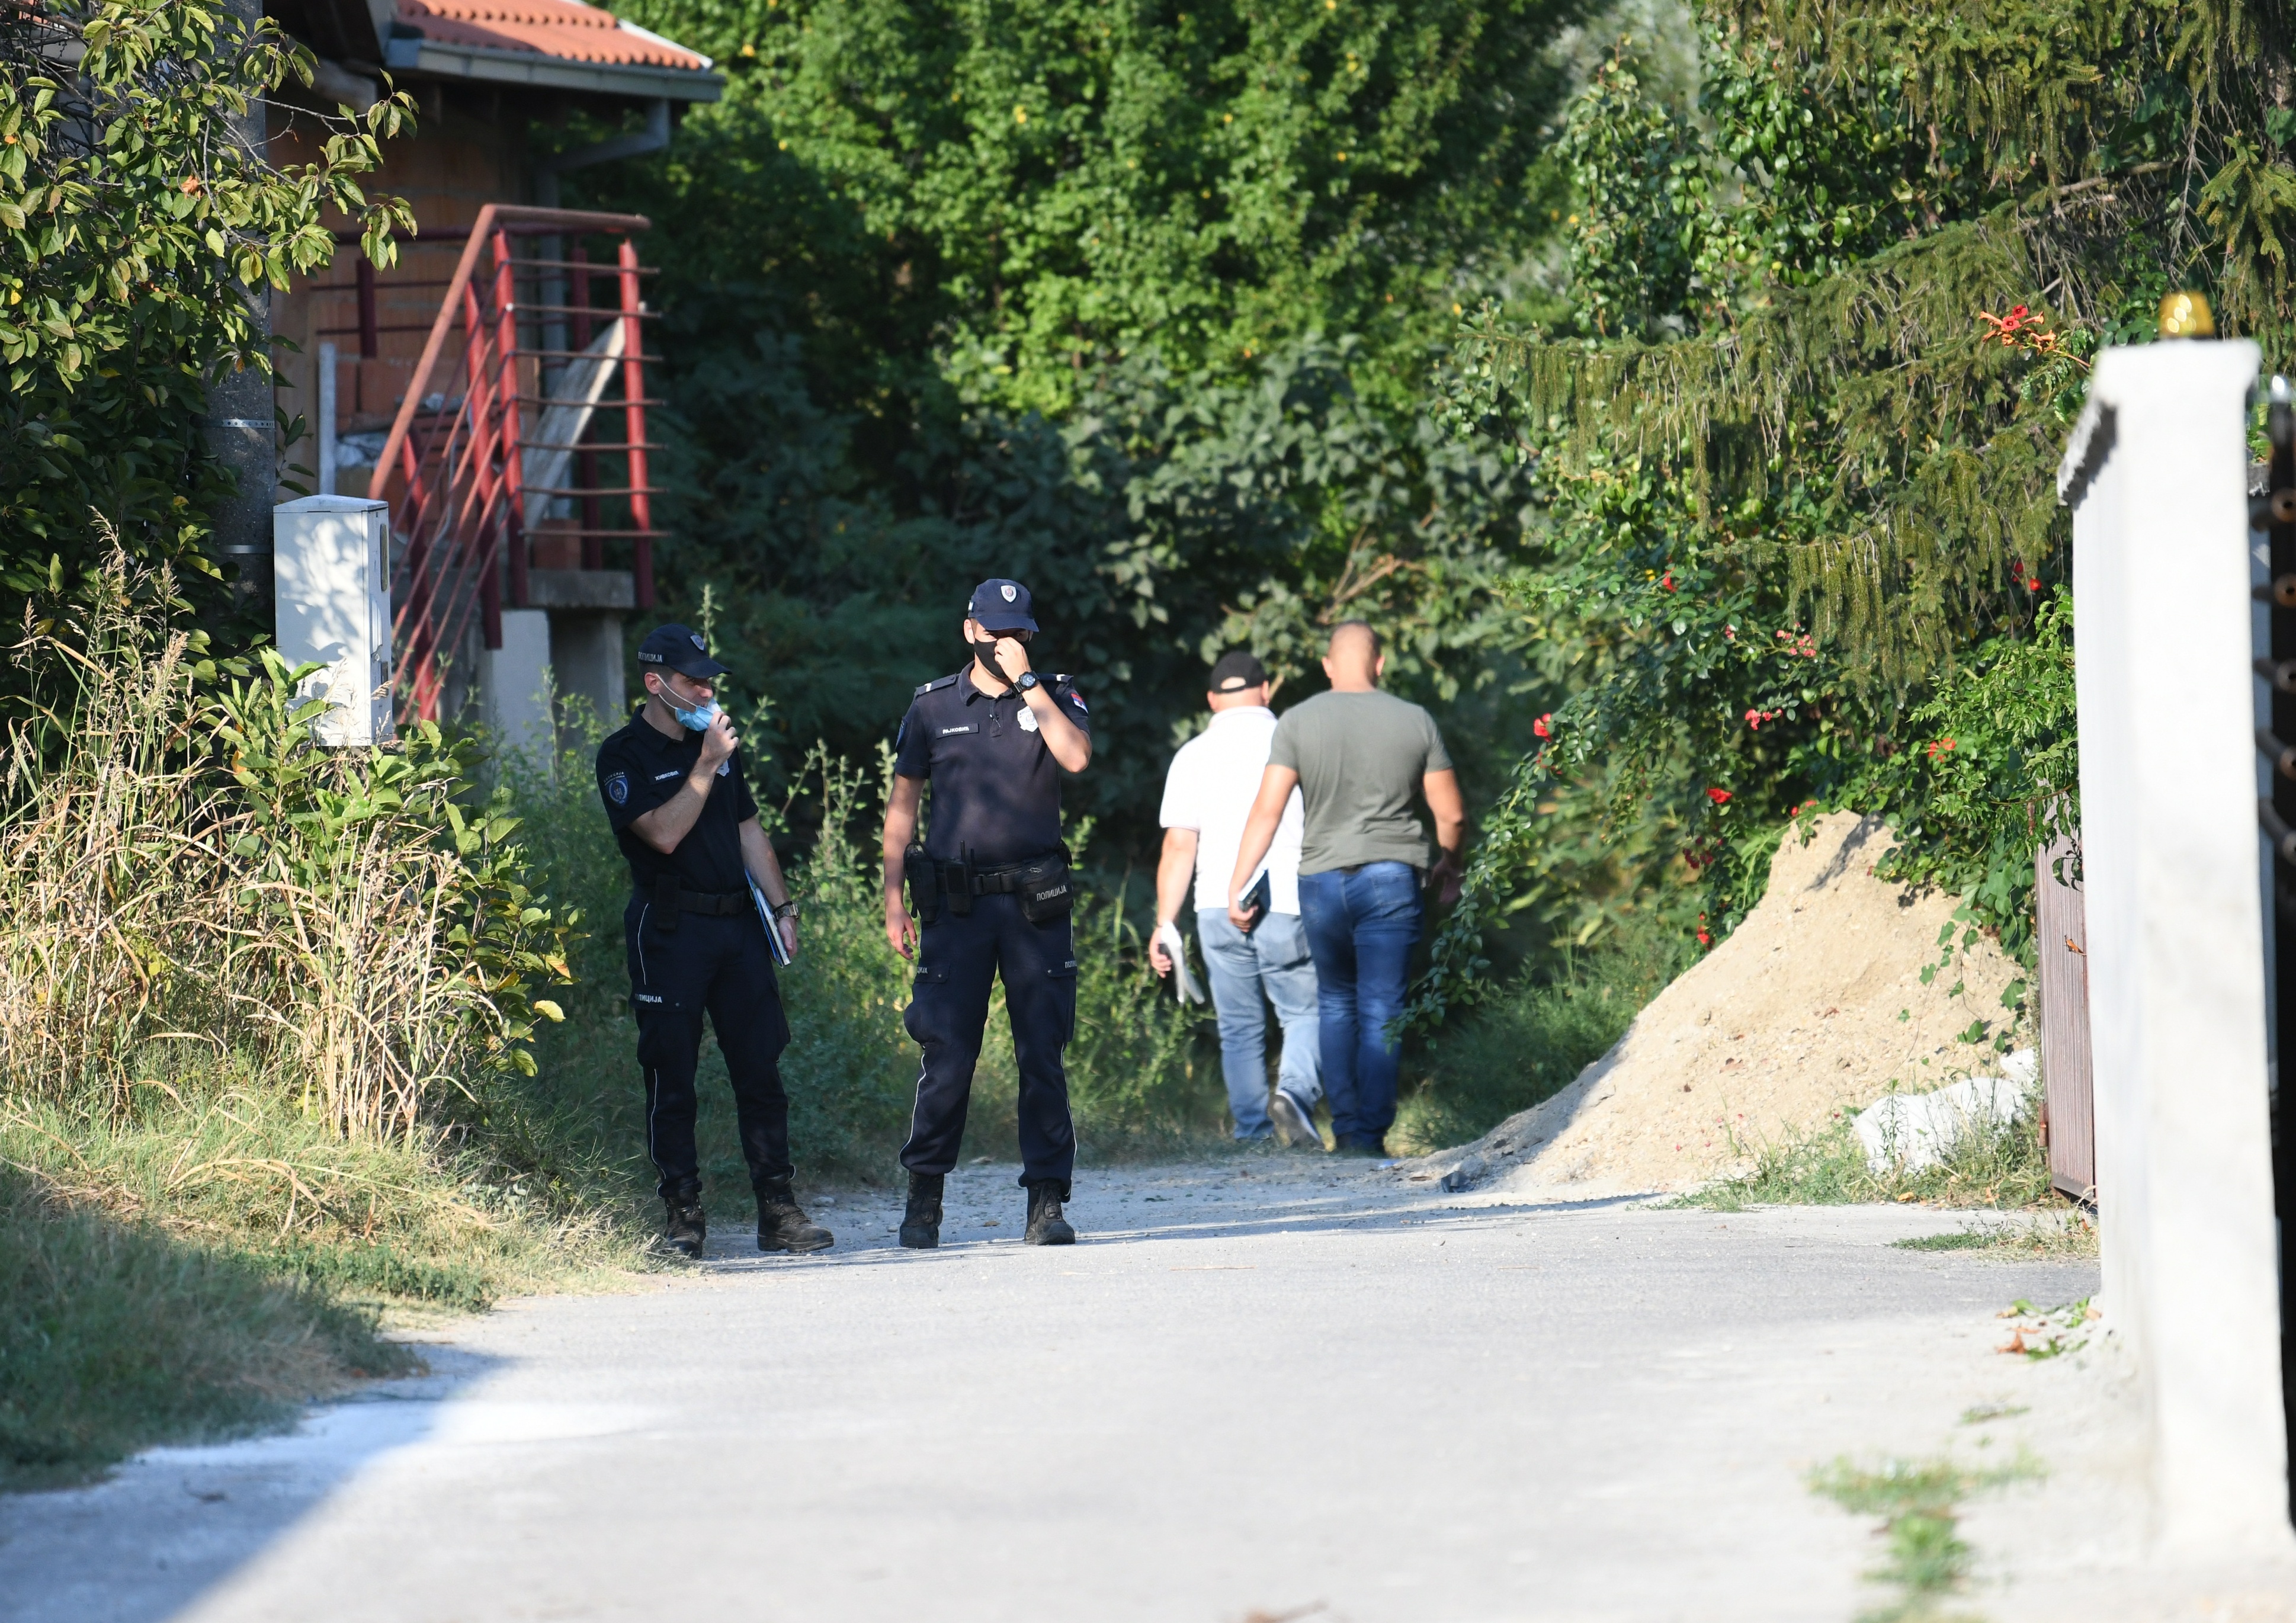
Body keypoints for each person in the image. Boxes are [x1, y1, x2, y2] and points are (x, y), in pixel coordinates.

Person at [595, 623, 832, 1259]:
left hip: (738, 928)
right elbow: (663, 835)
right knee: (670, 1072)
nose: (706, 689)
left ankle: (778, 1209)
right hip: (671, 929)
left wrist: (782, 907)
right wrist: (704, 766)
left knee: (760, 1069)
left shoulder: (718, 746)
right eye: (693, 679)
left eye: (710, 678)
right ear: (656, 683)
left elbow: (748, 829)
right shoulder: (624, 756)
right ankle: (683, 1211)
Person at [881, 579, 1094, 1249]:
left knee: (1042, 1054)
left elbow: (1077, 758)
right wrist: (892, 894)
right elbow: (904, 803)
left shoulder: (1055, 694)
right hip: (958, 905)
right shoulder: (933, 707)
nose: (1012, 642)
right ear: (971, 630)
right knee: (947, 1055)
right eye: (1000, 631)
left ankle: (1046, 1202)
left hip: (1036, 906)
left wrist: (1029, 681)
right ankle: (924, 1199)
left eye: (1022, 631)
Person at [1226, 621, 1465, 1156]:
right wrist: (1451, 864)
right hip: (1391, 877)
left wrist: (1237, 884)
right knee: (1382, 1007)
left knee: (1335, 1004)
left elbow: (1266, 812)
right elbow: (1450, 813)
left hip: (1320, 883)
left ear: (1329, 666)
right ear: (1380, 663)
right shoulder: (1414, 720)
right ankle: (1369, 1136)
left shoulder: (1296, 721)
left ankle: (1347, 1128)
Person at [1149, 650, 1324, 1149]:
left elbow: (1179, 845)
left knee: (1240, 1028)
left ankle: (1253, 1133)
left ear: (1211, 700)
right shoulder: (1295, 741)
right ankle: (1294, 1094)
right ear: (1266, 691)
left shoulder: (1192, 755)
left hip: (1212, 905)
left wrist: (1165, 922)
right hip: (1288, 896)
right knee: (1304, 1012)